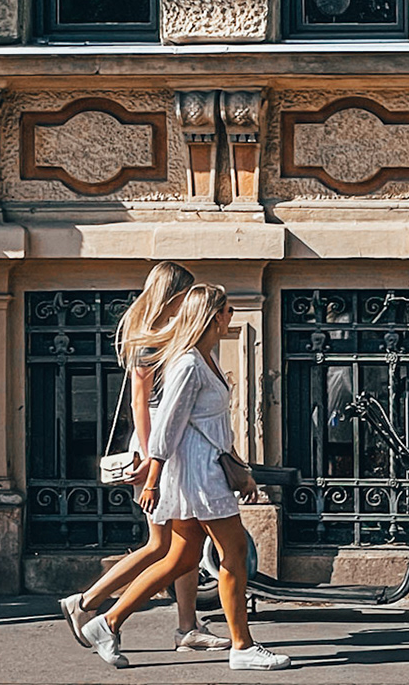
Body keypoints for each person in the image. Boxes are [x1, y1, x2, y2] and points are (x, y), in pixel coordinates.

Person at [80, 284, 290, 672]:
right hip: (196, 474)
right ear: (211, 316)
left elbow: (209, 425)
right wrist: (153, 477)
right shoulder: (190, 363)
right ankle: (242, 647)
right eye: (227, 310)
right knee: (234, 553)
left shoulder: (204, 358)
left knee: (181, 557)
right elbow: (168, 423)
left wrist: (238, 466)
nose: (231, 317)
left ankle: (106, 623)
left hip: (202, 467)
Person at [58, 262, 228, 655]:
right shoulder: (148, 337)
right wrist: (153, 459)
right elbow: (141, 402)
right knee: (160, 544)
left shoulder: (169, 333)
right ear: (176, 294)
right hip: (155, 444)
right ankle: (87, 602)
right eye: (187, 293)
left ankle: (187, 627)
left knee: (181, 541)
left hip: (169, 444)